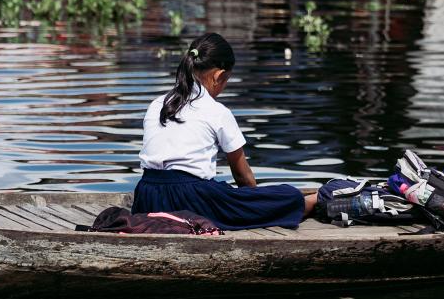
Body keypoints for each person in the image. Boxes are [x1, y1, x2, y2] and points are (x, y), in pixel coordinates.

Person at [133, 33, 316, 229]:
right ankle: (315, 200)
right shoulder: (217, 111)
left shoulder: (157, 104)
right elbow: (243, 177)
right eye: (226, 80)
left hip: (147, 196)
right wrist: (254, 203)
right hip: (190, 199)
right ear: (218, 76)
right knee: (287, 195)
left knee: (219, 189)